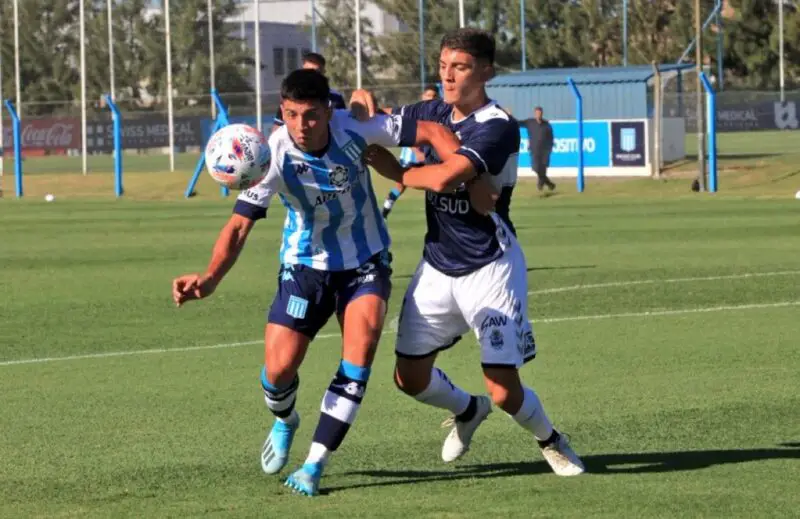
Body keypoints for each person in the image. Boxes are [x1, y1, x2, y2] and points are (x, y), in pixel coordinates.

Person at [172, 69, 461, 496]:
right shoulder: (271, 156)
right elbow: (237, 227)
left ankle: (314, 464)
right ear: (282, 113)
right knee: (278, 371)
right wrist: (211, 278)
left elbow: (433, 130)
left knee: (357, 360)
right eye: (291, 115)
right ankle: (286, 419)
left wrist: (464, 165)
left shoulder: (357, 127)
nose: (301, 126)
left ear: (328, 109)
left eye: (310, 115)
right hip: (305, 265)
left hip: (365, 261)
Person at [350, 28, 584, 477]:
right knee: (408, 378)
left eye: (460, 67)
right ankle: (466, 409)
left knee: (502, 389)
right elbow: (376, 123)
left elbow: (443, 178)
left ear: (486, 72)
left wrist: (399, 170)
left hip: (490, 266)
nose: (449, 76)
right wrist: (358, 107)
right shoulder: (432, 110)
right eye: (443, 66)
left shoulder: (497, 126)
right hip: (438, 264)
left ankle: (551, 440)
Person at [381, 84, 441, 219]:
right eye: (428, 95)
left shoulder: (439, 114)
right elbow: (407, 134)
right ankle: (384, 213)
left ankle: (438, 215)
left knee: (434, 184)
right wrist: (416, 152)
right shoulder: (416, 112)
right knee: (400, 185)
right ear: (422, 96)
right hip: (411, 156)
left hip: (430, 155)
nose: (430, 99)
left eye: (434, 96)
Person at [271, 52, 346, 134]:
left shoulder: (336, 98)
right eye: (308, 71)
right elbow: (277, 129)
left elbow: (344, 126)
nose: (312, 76)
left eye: (317, 72)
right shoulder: (290, 99)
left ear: (323, 72)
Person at [524, 106, 556, 191]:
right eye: (537, 113)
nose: (539, 115)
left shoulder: (546, 124)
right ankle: (549, 184)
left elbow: (551, 137)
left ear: (542, 114)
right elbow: (517, 123)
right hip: (534, 150)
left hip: (544, 151)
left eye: (540, 113)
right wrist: (509, 116)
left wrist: (550, 148)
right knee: (536, 168)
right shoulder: (529, 122)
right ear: (535, 114)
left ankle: (541, 185)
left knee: (543, 169)